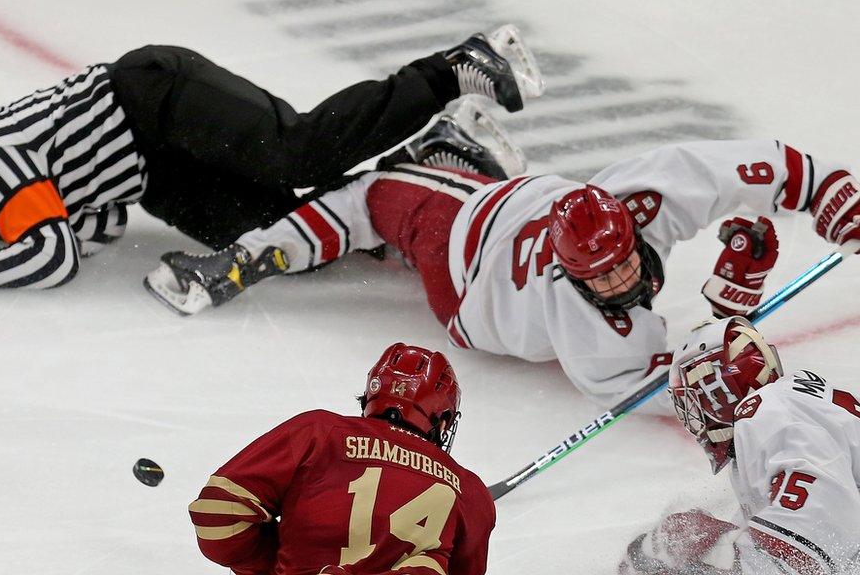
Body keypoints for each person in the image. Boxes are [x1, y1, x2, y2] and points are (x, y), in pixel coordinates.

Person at [148, 138, 860, 411]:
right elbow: (692, 384)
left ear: (627, 224)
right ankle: (243, 258)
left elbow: (755, 167)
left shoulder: (642, 192)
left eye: (619, 267)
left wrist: (831, 193)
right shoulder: (592, 330)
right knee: (375, 194)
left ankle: (463, 151)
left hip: (509, 204)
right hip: (463, 275)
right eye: (599, 279)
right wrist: (734, 297)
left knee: (389, 188)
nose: (616, 285)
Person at [0, 25, 544, 291]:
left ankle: (455, 68)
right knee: (296, 240)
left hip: (154, 98)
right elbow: (100, 225)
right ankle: (436, 154)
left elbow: (51, 258)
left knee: (297, 148)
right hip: (152, 171)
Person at [188, 342, 495, 575]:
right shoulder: (470, 493)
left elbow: (217, 513)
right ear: (442, 421)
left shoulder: (319, 433)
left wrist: (276, 563)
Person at [618, 316, 860, 574]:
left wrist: (710, 549)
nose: (692, 416)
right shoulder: (786, 412)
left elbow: (802, 555)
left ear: (717, 393)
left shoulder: (772, 415)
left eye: (690, 403)